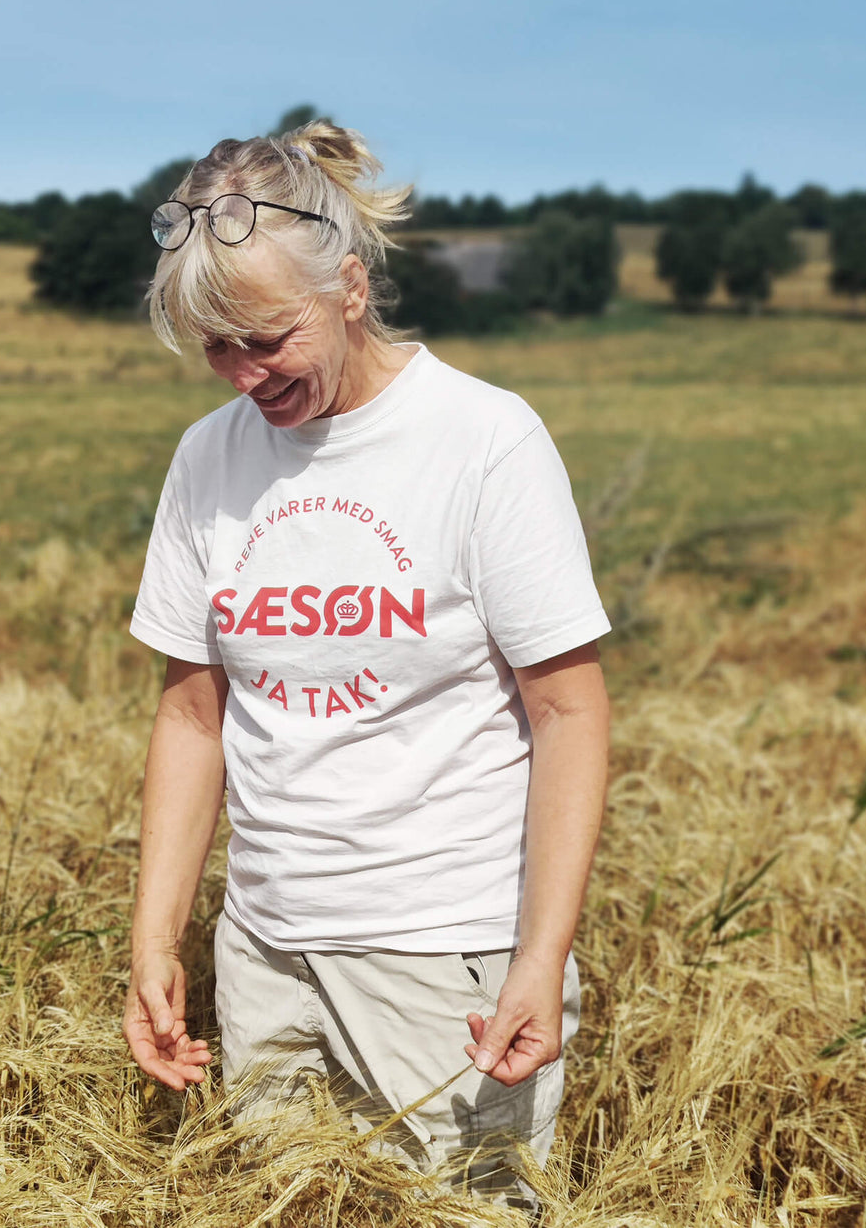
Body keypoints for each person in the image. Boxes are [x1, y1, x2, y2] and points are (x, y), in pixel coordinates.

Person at [122, 121, 611, 1209]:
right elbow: (191, 719)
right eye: (214, 348)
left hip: (448, 963)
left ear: (349, 285)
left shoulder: (483, 441)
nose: (244, 376)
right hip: (266, 956)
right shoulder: (208, 458)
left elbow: (570, 715)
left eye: (265, 337)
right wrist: (158, 941)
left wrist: (542, 954)